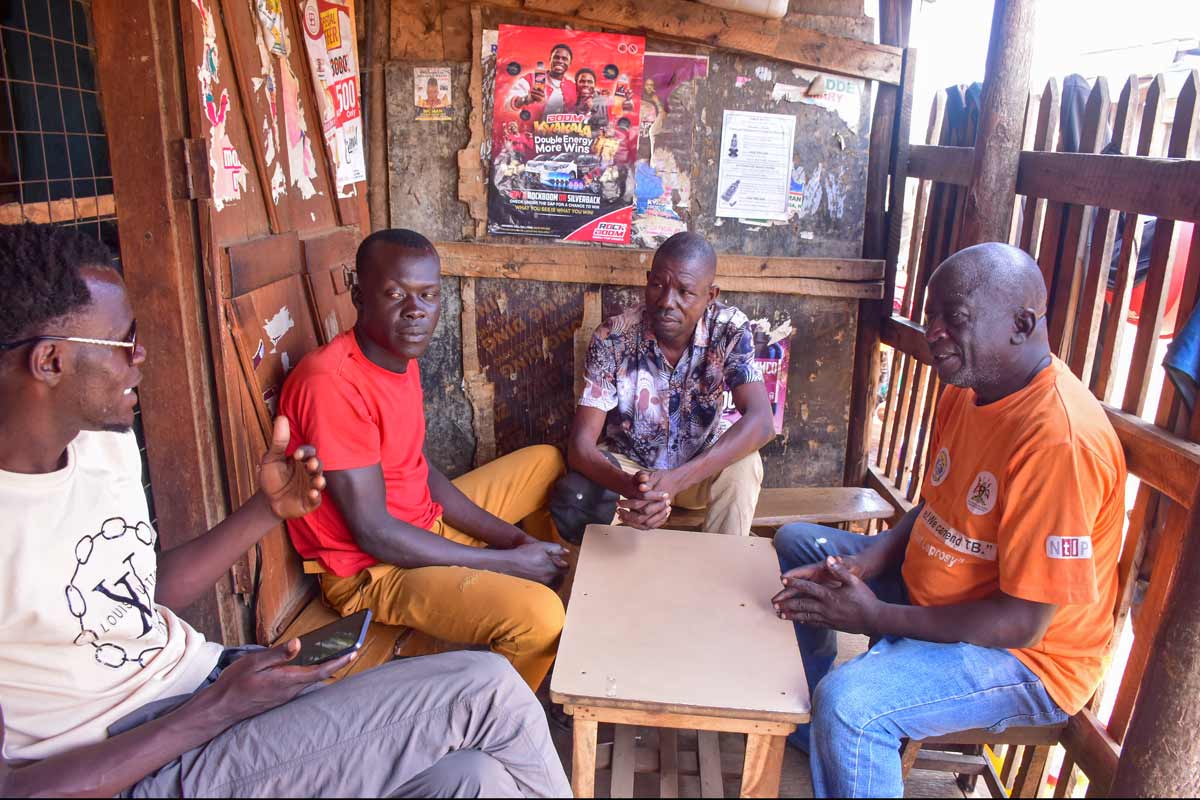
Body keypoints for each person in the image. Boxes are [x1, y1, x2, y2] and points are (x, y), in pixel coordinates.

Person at [0, 223, 570, 797]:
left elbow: (145, 593)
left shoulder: (102, 445)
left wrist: (269, 509)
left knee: (470, 777)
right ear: (50, 360)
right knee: (485, 689)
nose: (140, 356)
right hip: (142, 757)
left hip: (207, 680)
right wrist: (215, 710)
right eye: (124, 342)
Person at [771, 242, 1125, 797]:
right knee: (798, 544)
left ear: (1021, 324)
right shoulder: (970, 388)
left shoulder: (1059, 441)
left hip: (1023, 659)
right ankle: (811, 726)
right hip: (941, 594)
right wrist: (866, 563)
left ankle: (838, 727)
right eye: (930, 314)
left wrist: (876, 616)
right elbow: (935, 509)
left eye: (953, 317)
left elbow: (1021, 624)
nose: (933, 332)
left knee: (851, 705)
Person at [280, 229, 569, 693]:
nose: (415, 310)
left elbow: (417, 470)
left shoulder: (397, 355)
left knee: (544, 463)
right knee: (540, 617)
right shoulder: (332, 383)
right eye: (396, 294)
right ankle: (493, 717)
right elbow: (374, 532)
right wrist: (506, 563)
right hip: (375, 571)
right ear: (360, 296)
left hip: (422, 526)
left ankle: (544, 573)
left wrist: (514, 540)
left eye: (428, 295)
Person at [561, 232, 775, 539]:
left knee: (746, 464)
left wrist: (676, 480)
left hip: (699, 472)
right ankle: (605, 568)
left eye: (685, 292)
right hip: (632, 473)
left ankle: (723, 560)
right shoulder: (613, 337)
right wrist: (636, 488)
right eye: (658, 285)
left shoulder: (728, 329)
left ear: (710, 295)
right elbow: (580, 447)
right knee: (576, 498)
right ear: (647, 280)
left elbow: (762, 422)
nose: (666, 302)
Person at [505, 43, 576, 119]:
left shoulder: (573, 87)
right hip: (531, 127)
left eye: (564, 59)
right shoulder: (530, 79)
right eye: (556, 57)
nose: (560, 61)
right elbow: (508, 105)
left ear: (570, 63)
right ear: (550, 59)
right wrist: (527, 99)